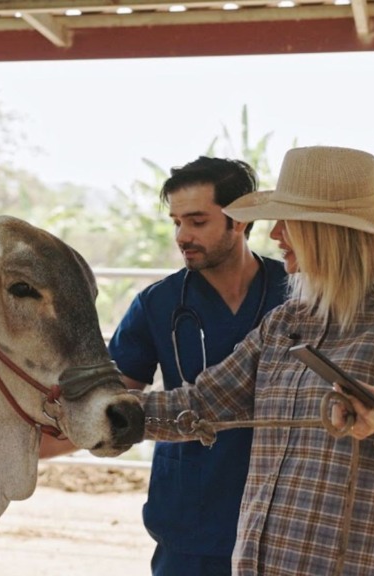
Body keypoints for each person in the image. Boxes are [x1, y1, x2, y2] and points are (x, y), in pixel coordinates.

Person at [136, 145, 374, 576]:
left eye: (288, 222)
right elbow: (202, 402)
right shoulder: (285, 322)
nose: (274, 235)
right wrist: (105, 413)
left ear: (325, 231)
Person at [107, 156, 289, 576]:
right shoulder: (157, 304)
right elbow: (115, 401)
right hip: (190, 516)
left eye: (197, 221)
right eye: (176, 222)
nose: (182, 236)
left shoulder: (296, 295)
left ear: (239, 220)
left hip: (279, 513)